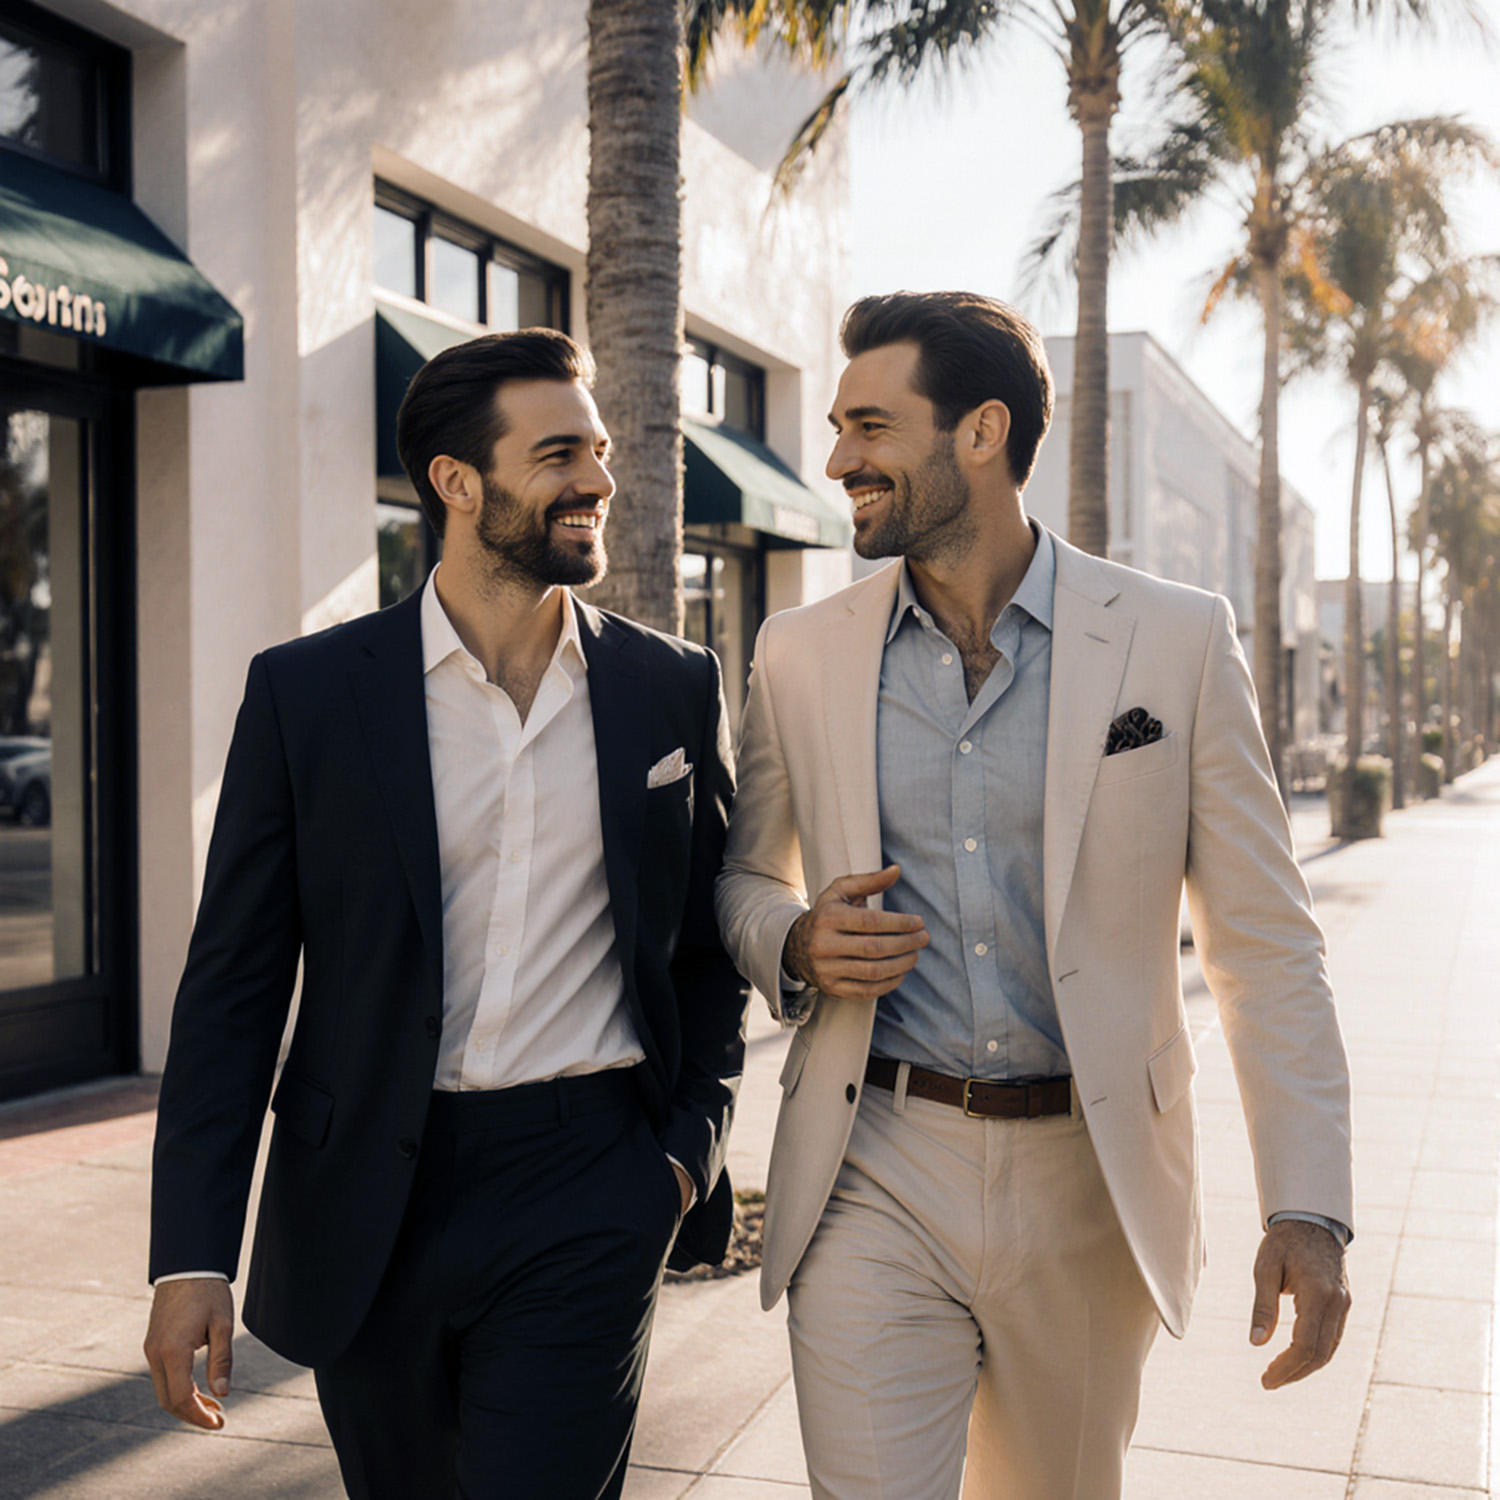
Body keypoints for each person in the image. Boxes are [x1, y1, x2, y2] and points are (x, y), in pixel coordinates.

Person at [715, 291, 1353, 1499]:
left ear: (982, 432)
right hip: (873, 1165)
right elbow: (746, 873)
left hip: (1090, 1178)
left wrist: (1308, 1206)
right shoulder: (799, 654)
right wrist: (794, 937)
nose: (839, 455)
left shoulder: (1172, 640)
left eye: (869, 423)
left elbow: (1266, 945)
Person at [144, 328, 747, 1500]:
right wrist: (190, 1256)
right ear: (457, 482)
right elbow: (231, 989)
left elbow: (705, 950)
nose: (600, 481)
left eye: (604, 450)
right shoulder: (309, 695)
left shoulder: (672, 686)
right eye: (561, 452)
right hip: (372, 1189)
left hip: (591, 1183)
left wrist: (677, 1161)